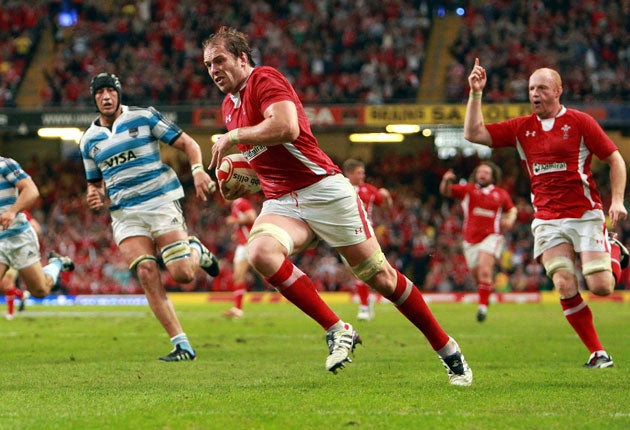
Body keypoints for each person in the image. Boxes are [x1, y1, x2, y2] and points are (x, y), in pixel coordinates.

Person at [203, 26, 472, 385]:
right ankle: (337, 328)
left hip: (324, 191)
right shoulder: (228, 106)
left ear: (241, 58)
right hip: (283, 201)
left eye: (219, 60)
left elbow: (286, 128)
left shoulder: (265, 79)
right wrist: (234, 181)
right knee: (261, 254)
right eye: (207, 65)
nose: (213, 69)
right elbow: (263, 160)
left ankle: (448, 350)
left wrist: (234, 137)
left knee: (384, 279)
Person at [463, 58, 628, 368]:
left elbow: (615, 159)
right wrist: (475, 93)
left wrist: (617, 201)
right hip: (548, 219)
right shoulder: (521, 128)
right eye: (530, 89)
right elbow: (474, 133)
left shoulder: (580, 122)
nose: (534, 94)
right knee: (564, 283)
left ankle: (615, 250)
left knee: (602, 287)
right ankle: (598, 352)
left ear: (558, 91)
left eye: (541, 88)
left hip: (585, 214)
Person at [79, 72, 220, 362]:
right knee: (145, 271)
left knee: (183, 274)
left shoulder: (144, 118)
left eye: (110, 91)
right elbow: (94, 184)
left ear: (119, 94)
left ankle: (196, 250)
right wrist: (93, 194)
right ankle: (182, 344)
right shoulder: (88, 141)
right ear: (94, 98)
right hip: (125, 214)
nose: (106, 97)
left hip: (160, 204)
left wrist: (197, 171)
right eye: (100, 92)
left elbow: (190, 145)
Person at [440, 161, 517, 322]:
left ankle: (482, 308)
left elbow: (512, 210)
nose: (482, 174)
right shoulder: (468, 190)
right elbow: (446, 192)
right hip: (470, 240)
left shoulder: (500, 193)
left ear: (493, 176)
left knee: (485, 270)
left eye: (486, 172)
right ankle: (486, 296)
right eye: (480, 171)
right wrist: (447, 180)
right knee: (478, 276)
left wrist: (510, 219)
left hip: (492, 236)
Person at [0, 156, 75, 319]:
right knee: (5, 285)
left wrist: (12, 211)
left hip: (18, 237)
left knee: (40, 290)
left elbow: (31, 191)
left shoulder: (5, 165)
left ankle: (57, 263)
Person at [342, 158, 393, 321]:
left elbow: (385, 205)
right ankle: (366, 300)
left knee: (362, 270)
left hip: (365, 233)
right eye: (359, 172)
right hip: (343, 233)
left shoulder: (369, 190)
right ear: (349, 173)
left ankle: (363, 306)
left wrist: (387, 197)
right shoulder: (339, 188)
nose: (362, 175)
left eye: (363, 172)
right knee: (355, 272)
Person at [223, 197, 258, 318]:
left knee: (269, 274)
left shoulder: (241, 202)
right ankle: (238, 309)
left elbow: (252, 217)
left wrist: (234, 220)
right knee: (238, 276)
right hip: (242, 245)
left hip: (250, 243)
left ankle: (294, 296)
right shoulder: (235, 206)